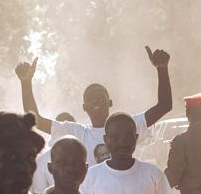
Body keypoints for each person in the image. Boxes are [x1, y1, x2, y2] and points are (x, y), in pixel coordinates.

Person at [16, 45, 174, 165]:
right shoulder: (77, 132)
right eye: (91, 98)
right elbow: (36, 120)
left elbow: (164, 106)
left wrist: (162, 69)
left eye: (100, 96)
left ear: (110, 102)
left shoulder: (127, 125)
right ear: (84, 107)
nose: (96, 100)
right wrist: (26, 83)